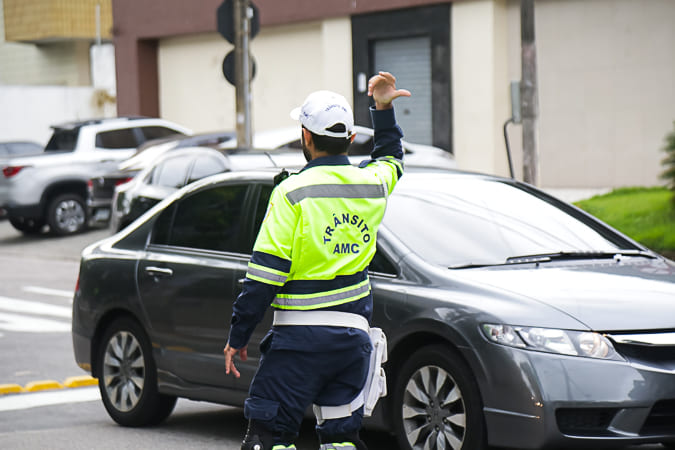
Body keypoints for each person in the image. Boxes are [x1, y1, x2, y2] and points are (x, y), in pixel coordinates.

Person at [224, 71, 411, 450]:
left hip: (298, 342)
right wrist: (383, 109)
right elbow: (391, 157)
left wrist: (238, 335)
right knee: (341, 438)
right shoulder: (372, 185)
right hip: (353, 342)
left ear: (306, 137)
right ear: (351, 138)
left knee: (269, 437)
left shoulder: (291, 193)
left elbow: (264, 276)